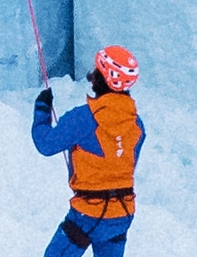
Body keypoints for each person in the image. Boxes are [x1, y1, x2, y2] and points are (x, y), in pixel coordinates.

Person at [32, 44, 144, 257]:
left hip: (88, 214)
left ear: (101, 78)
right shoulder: (137, 124)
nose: (91, 76)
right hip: (123, 213)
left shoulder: (84, 118)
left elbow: (45, 144)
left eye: (96, 72)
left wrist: (42, 109)